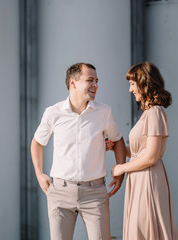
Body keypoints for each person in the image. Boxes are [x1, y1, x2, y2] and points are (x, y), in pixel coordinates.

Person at [31, 62, 126, 240]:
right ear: (73, 83)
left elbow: (117, 140)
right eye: (90, 80)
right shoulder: (53, 112)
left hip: (95, 193)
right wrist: (39, 173)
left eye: (97, 80)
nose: (95, 85)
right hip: (60, 191)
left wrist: (120, 171)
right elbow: (37, 142)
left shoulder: (103, 112)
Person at [111, 62, 178, 240]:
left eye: (132, 84)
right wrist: (114, 147)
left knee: (145, 229)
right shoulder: (148, 113)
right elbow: (139, 151)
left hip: (148, 178)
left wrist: (121, 168)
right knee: (140, 228)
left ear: (144, 83)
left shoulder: (155, 112)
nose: (130, 90)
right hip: (141, 177)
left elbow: (151, 156)